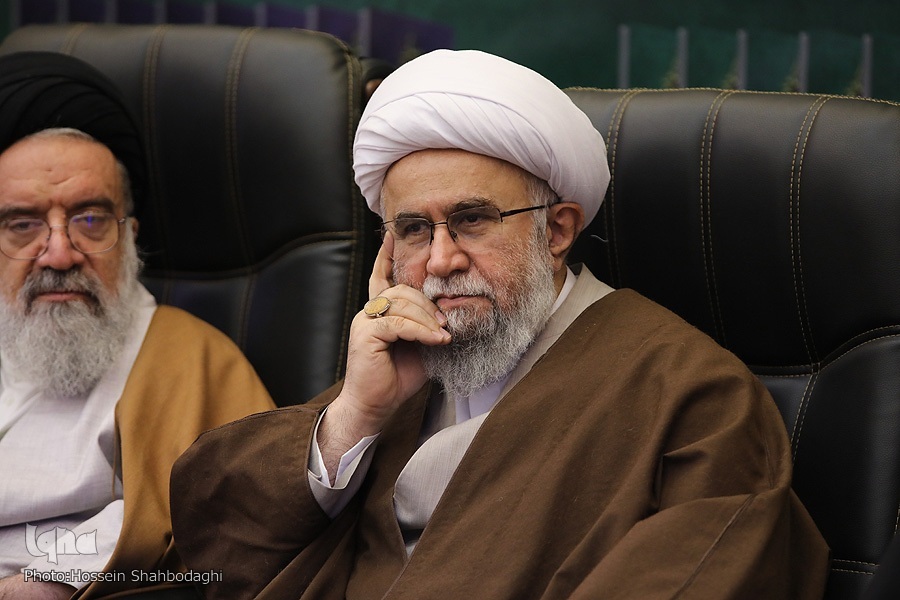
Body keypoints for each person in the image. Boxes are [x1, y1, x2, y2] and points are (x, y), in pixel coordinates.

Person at [170, 49, 830, 599]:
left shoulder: (692, 394)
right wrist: (354, 416)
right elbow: (214, 551)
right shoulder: (403, 370)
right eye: (414, 230)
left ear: (558, 231)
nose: (440, 260)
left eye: (472, 220)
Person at [0, 52, 275, 599]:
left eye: (90, 219)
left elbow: (240, 512)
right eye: (23, 225)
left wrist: (46, 581)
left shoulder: (190, 357)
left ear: (128, 235)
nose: (59, 254)